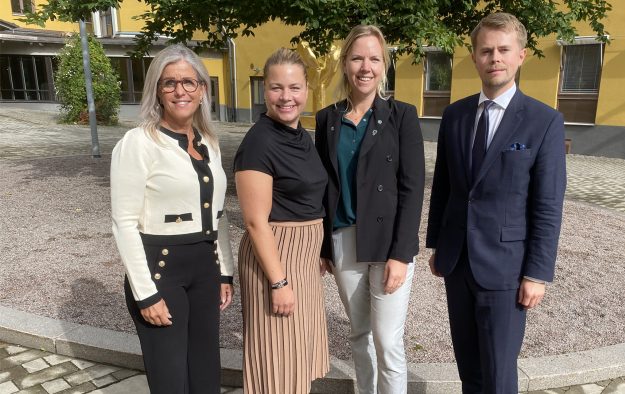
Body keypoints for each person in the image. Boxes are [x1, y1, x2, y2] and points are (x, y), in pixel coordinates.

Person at [426, 12, 567, 394]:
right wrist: (438, 244)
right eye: (486, 50)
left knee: (499, 373)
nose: (495, 58)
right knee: (468, 368)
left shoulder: (544, 122)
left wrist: (537, 273)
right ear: (474, 57)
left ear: (521, 55)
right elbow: (445, 185)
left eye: (504, 49)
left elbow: (548, 205)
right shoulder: (454, 116)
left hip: (506, 270)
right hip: (458, 264)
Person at [111, 44, 234, 394]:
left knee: (206, 374)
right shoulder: (137, 144)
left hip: (205, 270)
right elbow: (124, 222)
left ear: (203, 89)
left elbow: (219, 214)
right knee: (171, 380)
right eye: (169, 83)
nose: (180, 91)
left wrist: (224, 270)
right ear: (157, 91)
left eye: (189, 82)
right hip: (161, 270)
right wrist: (146, 295)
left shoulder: (209, 141)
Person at [315, 25, 425, 394]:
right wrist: (323, 246)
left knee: (387, 340)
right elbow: (324, 187)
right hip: (344, 240)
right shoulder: (327, 119)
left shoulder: (402, 116)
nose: (366, 66)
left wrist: (401, 253)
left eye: (374, 59)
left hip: (387, 244)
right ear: (345, 63)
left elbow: (412, 189)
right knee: (359, 334)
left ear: (384, 66)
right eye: (357, 57)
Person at [233, 48, 330, 394]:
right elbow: (256, 221)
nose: (286, 97)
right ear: (264, 91)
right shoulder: (259, 143)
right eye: (276, 88)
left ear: (307, 90)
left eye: (294, 87)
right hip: (275, 259)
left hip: (302, 260)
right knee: (276, 362)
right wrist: (278, 282)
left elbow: (308, 199)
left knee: (296, 358)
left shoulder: (302, 136)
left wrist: (318, 250)